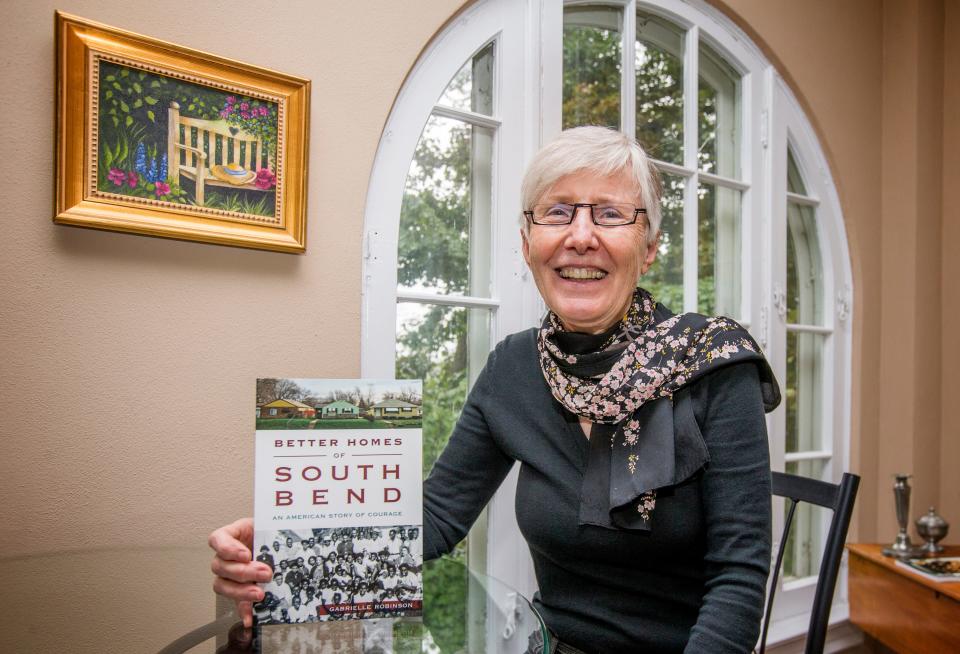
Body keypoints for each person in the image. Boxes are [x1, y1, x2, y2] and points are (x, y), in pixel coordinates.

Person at [208, 126, 779, 652]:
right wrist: (286, 546)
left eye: (609, 214)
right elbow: (435, 518)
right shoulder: (513, 366)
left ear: (650, 246)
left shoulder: (713, 362)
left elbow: (739, 575)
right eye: (557, 213)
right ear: (528, 242)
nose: (581, 237)